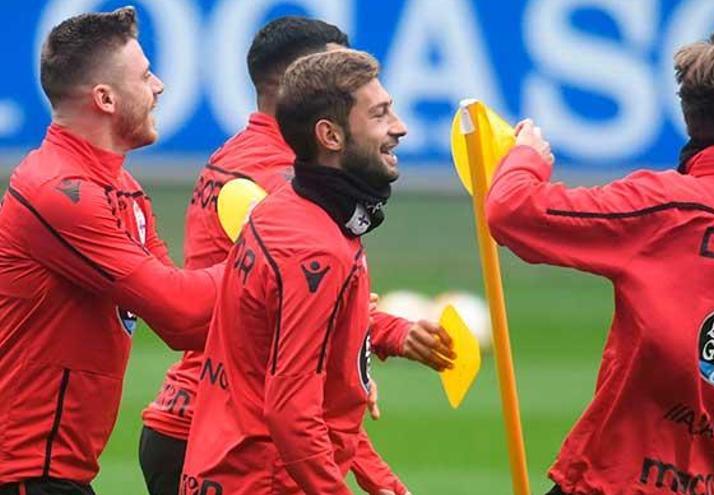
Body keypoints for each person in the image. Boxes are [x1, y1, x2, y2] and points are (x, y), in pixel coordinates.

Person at [485, 24, 714, 495]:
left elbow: (511, 211)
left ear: (689, 117)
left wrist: (526, 157)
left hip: (609, 482)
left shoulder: (665, 204)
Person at [140, 17, 447, 495]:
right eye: (380, 112)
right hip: (242, 440)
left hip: (213, 423)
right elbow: (291, 387)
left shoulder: (280, 187)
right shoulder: (285, 192)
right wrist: (379, 338)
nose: (399, 127)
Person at [0, 7, 221, 495]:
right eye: (144, 76)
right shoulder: (58, 192)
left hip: (57, 472)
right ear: (104, 98)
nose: (160, 85)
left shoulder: (121, 188)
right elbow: (184, 310)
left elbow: (187, 323)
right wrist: (266, 252)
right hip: (23, 473)